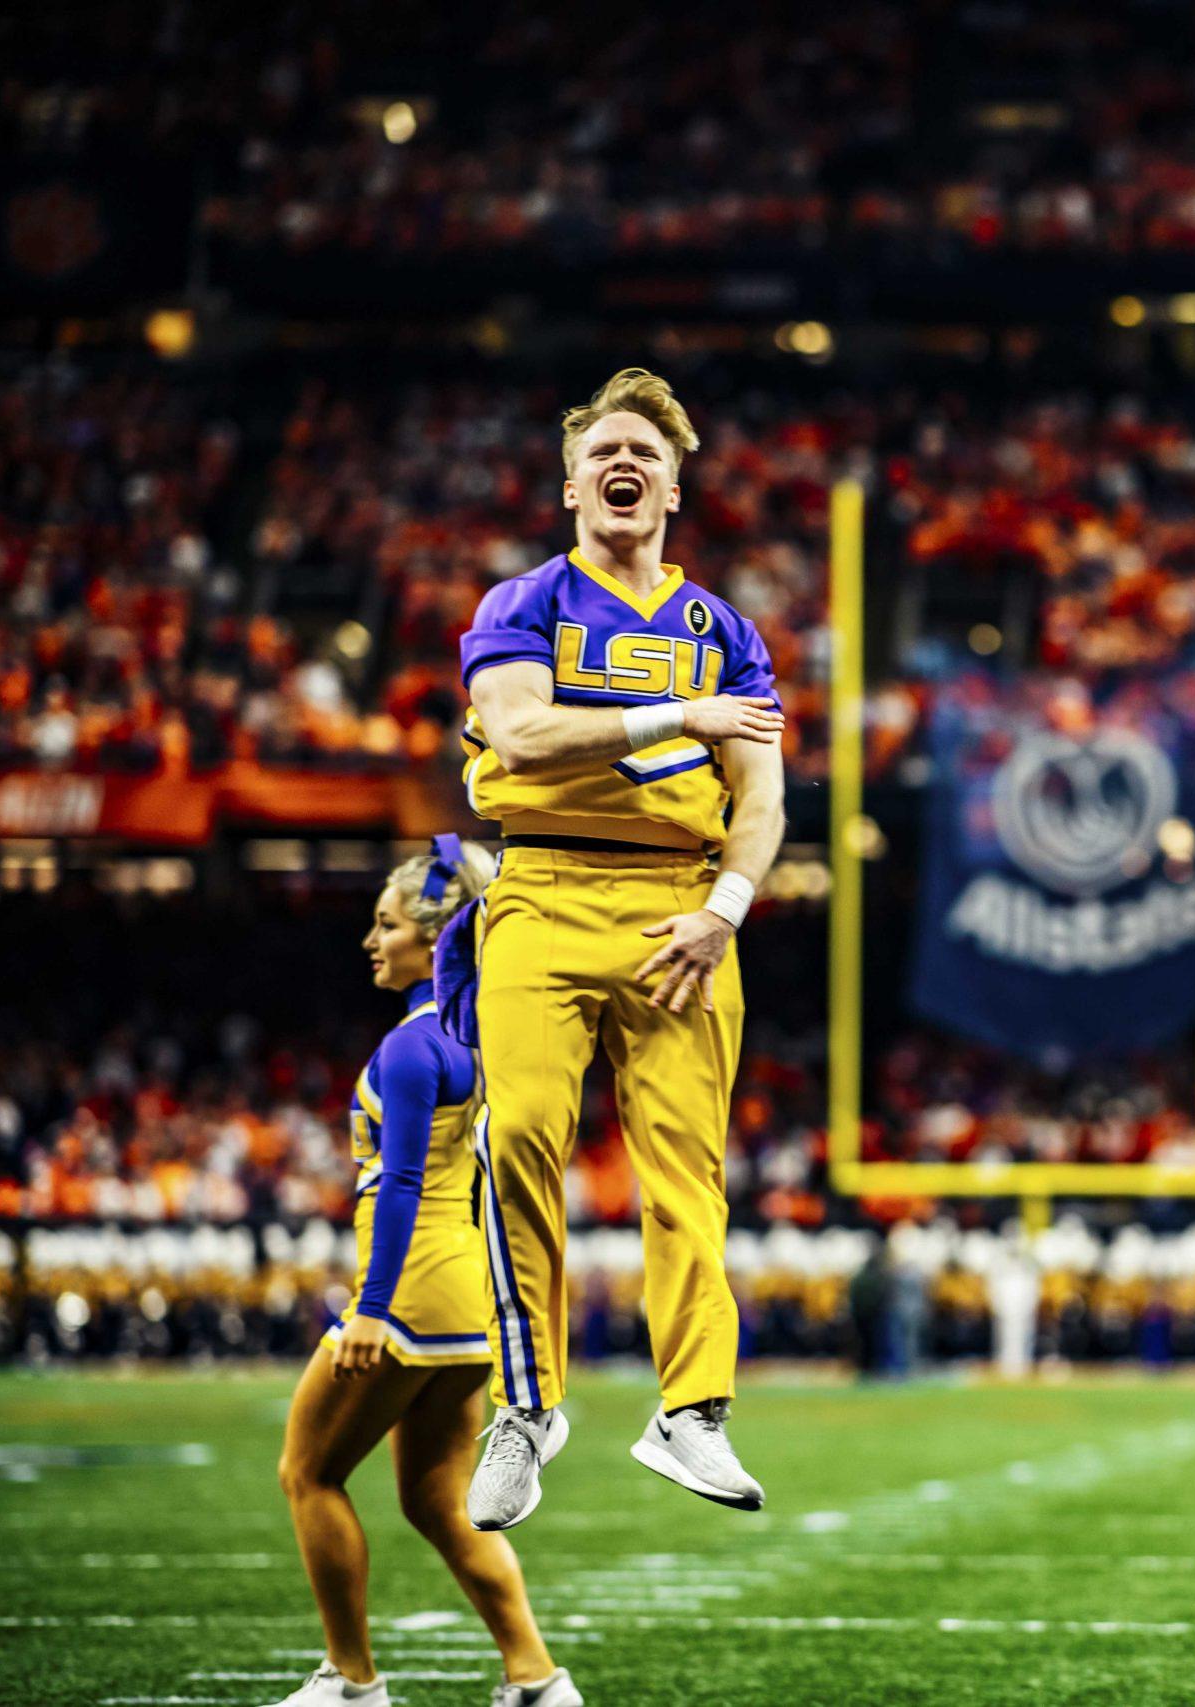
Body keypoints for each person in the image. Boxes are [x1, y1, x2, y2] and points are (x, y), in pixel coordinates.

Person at [459, 367, 795, 1529]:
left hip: (681, 912)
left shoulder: (729, 633)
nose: (626, 463)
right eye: (605, 448)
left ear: (673, 485)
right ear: (570, 485)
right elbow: (519, 731)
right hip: (543, 890)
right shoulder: (523, 602)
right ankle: (526, 1407)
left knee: (686, 1172)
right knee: (522, 1146)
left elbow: (762, 797)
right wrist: (676, 717)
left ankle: (690, 1411)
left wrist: (729, 909)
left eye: (646, 452)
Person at [272, 838, 581, 1707]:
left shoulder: (413, 1047)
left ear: (436, 936)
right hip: (471, 1297)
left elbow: (403, 1180)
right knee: (440, 1501)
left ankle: (352, 1682)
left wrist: (369, 1308)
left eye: (387, 924)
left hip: (406, 1294)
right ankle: (535, 1677)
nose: (371, 941)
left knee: (308, 1472)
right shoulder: (494, 1038)